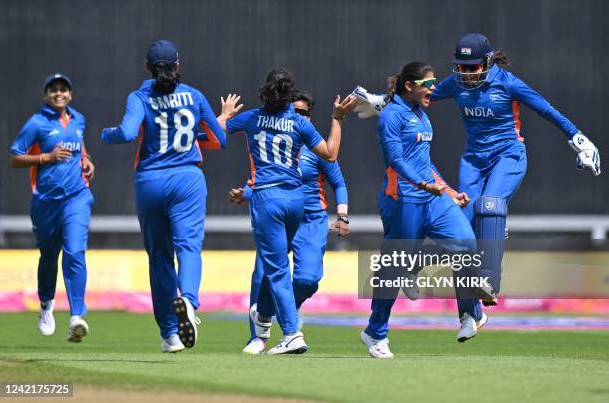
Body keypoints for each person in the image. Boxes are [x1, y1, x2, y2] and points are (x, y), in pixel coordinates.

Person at [429, 33, 601, 340]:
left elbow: (546, 109)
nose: (467, 74)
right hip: (473, 160)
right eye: (462, 68)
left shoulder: (507, 83)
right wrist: (385, 103)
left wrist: (579, 140)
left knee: (490, 204)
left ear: (486, 61)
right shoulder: (455, 84)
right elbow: (423, 95)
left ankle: (489, 281)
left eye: (472, 67)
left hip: (508, 156)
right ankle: (471, 313)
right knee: (460, 233)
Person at [101, 40, 240, 353]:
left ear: (147, 67)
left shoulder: (139, 97)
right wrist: (212, 124)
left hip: (150, 181)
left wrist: (104, 134)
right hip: (188, 180)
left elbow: (124, 133)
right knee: (188, 247)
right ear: (178, 65)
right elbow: (219, 139)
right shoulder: (194, 95)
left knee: (160, 257)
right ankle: (188, 302)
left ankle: (169, 334)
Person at [222, 69, 356, 355]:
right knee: (268, 272)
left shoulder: (253, 118)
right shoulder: (298, 125)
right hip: (294, 200)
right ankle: (261, 333)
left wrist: (224, 114)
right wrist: (338, 118)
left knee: (280, 271)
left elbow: (213, 132)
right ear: (288, 99)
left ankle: (289, 330)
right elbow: (331, 151)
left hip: (276, 202)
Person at [359, 61, 477, 358]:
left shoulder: (422, 116)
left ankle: (418, 268)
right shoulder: (390, 116)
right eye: (428, 83)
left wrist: (447, 190)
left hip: (432, 198)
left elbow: (426, 162)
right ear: (409, 86)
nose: (434, 88)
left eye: (435, 81)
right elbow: (397, 161)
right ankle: (375, 332)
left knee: (466, 243)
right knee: (392, 267)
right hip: (403, 200)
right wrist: (426, 185)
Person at [10, 73, 95, 343]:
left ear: (70, 94)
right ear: (46, 94)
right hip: (46, 201)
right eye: (54, 90)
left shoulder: (78, 119)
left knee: (75, 250)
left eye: (64, 89)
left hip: (77, 197)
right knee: (49, 256)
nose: (59, 94)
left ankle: (76, 316)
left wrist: (87, 160)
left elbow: (80, 147)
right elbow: (15, 158)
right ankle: (46, 306)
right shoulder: (37, 123)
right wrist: (46, 157)